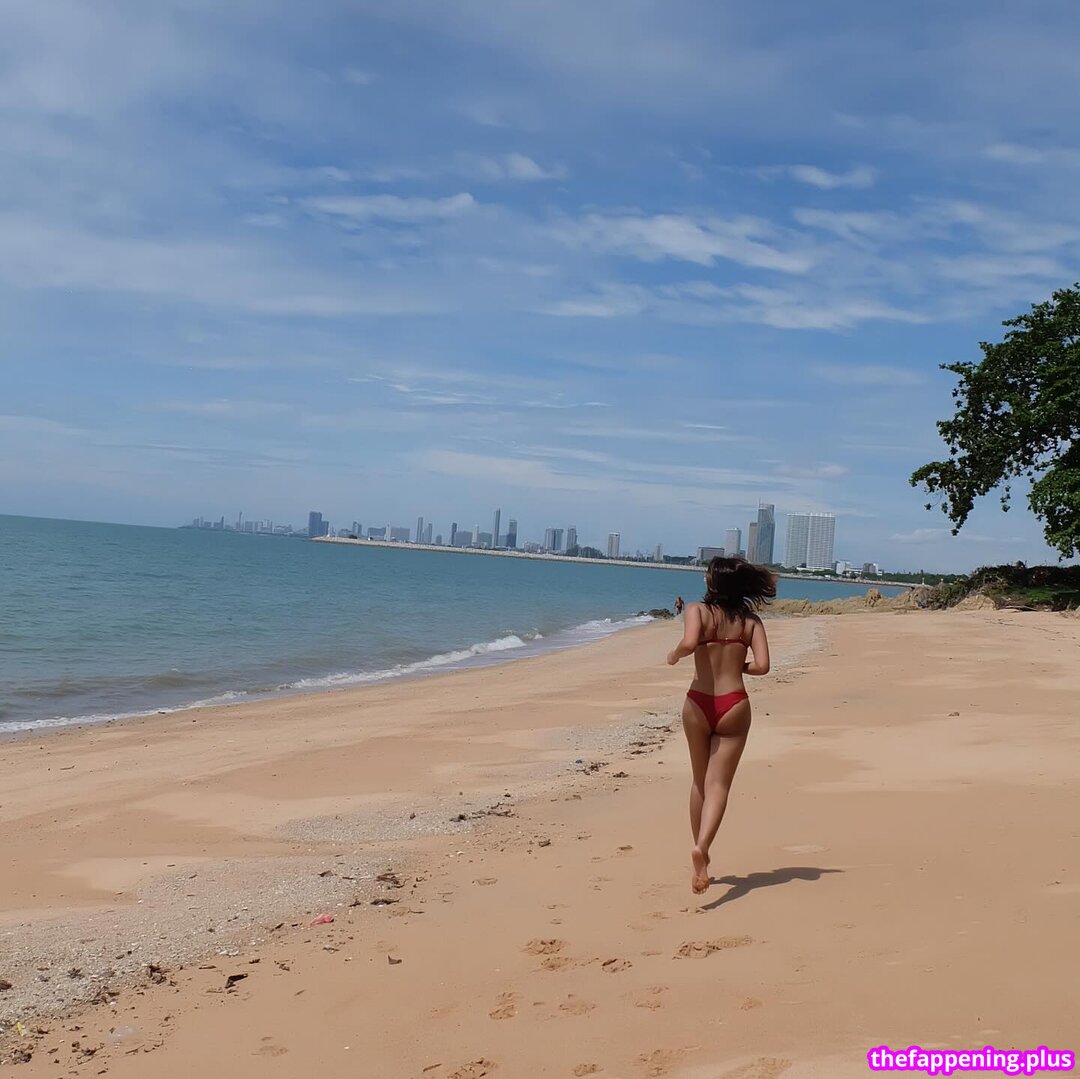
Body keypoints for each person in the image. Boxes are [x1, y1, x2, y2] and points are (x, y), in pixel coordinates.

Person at [666, 556, 775, 894]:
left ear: (714, 582)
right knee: (719, 786)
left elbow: (689, 643)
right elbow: (763, 666)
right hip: (734, 705)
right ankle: (703, 847)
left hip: (698, 703)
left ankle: (700, 856)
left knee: (700, 782)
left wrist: (673, 655)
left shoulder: (697, 611)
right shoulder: (750, 622)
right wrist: (738, 667)